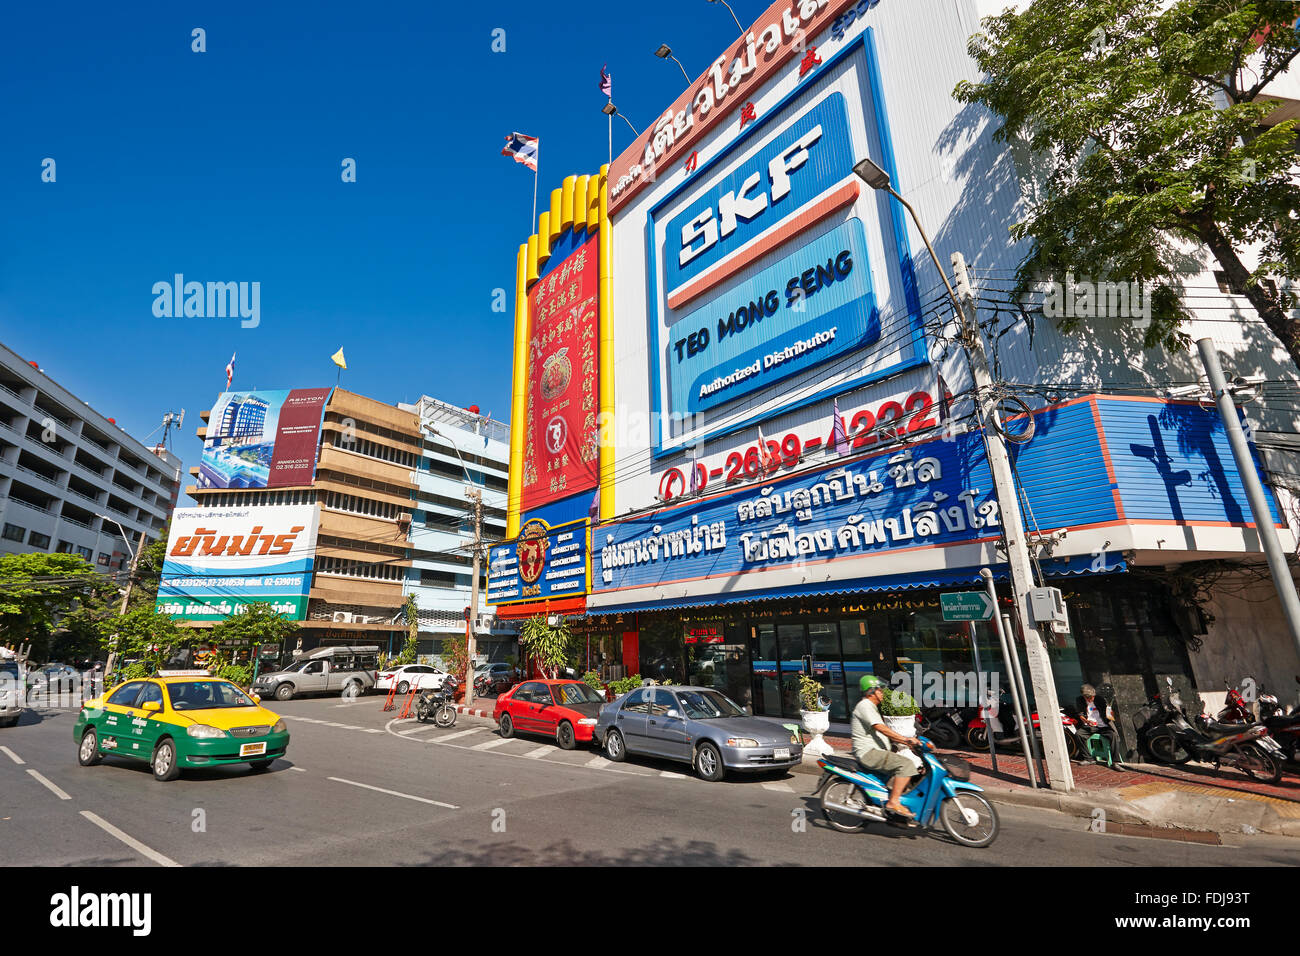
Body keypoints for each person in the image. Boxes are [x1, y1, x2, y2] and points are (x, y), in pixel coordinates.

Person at [851, 675, 922, 819]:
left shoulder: (872, 707)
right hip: (869, 753)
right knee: (906, 765)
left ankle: (894, 799)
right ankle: (893, 802)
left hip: (876, 751)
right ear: (871, 692)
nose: (883, 693)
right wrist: (906, 740)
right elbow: (882, 728)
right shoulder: (864, 706)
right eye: (880, 690)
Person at [1074, 683, 1123, 767]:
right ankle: (1088, 759)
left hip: (1103, 725)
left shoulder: (1099, 699)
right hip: (1090, 726)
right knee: (1078, 735)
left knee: (1113, 735)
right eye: (1089, 698)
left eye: (1093, 697)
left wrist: (1110, 714)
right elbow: (1081, 715)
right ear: (1084, 696)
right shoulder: (1080, 700)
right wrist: (1087, 721)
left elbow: (1108, 713)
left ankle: (1116, 761)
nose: (1092, 699)